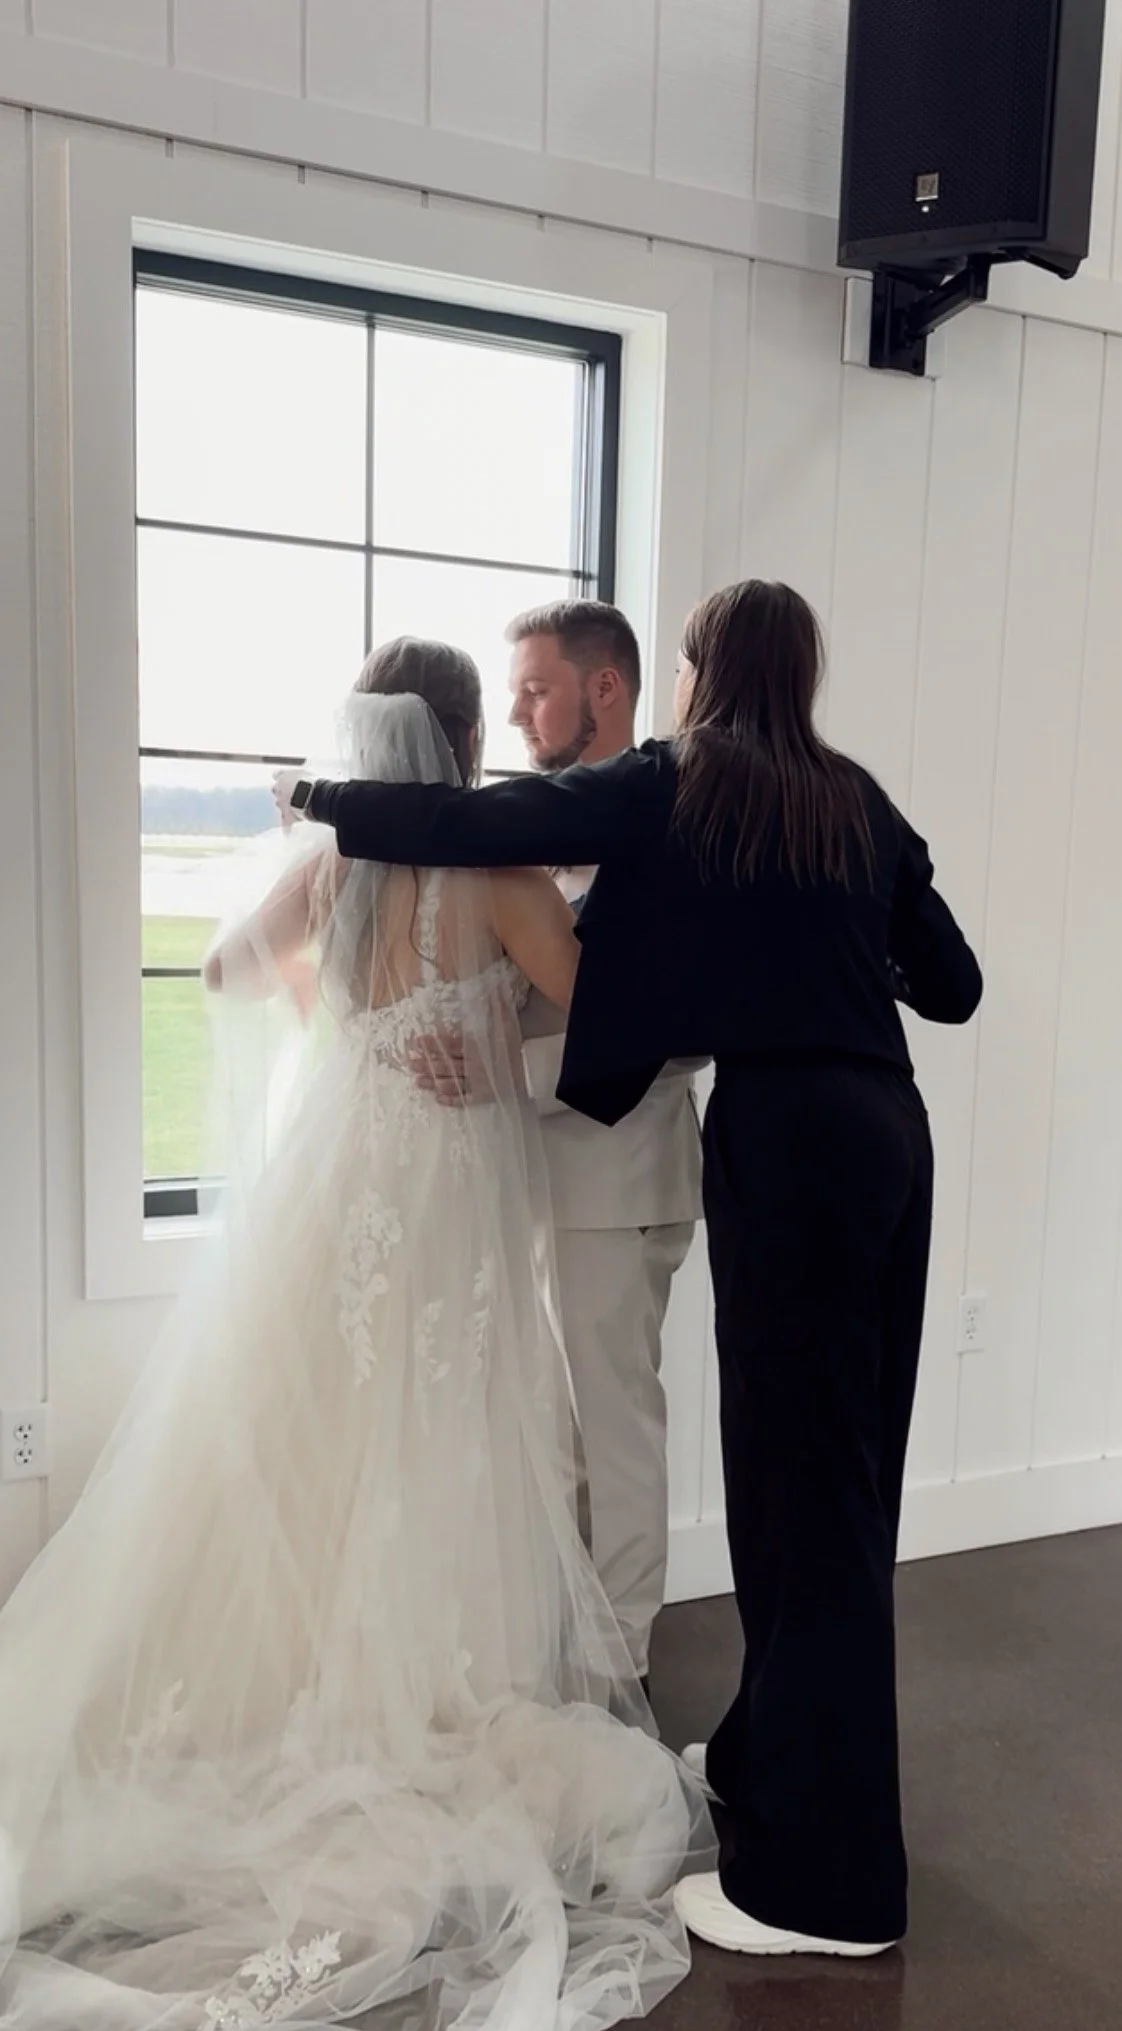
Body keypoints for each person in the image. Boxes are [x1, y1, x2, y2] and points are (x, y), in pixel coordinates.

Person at [0, 637, 711, 2031]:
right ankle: (424, 1693)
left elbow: (233, 964)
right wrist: (484, 1049)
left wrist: (352, 1036)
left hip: (337, 1181)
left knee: (307, 1452)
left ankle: (301, 1688)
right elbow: (616, 1019)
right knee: (437, 1443)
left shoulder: (337, 858)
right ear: (457, 741)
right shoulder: (497, 866)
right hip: (441, 1195)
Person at [276, 580, 983, 1961]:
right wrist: (837, 937)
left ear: (698, 674)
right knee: (838, 1485)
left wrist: (321, 795)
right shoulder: (853, 800)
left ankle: (820, 1892)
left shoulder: (684, 781)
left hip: (787, 1142)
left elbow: (476, 821)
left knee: (801, 1499)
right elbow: (947, 982)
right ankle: (768, 1763)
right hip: (890, 1136)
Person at [505, 602, 701, 1686]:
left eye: (537, 688)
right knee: (568, 1435)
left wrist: (505, 1081)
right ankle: (573, 1641)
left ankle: (618, 1667)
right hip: (552, 1180)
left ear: (607, 691)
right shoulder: (554, 830)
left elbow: (670, 1039)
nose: (518, 711)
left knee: (617, 1435)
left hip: (622, 1180)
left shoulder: (661, 835)